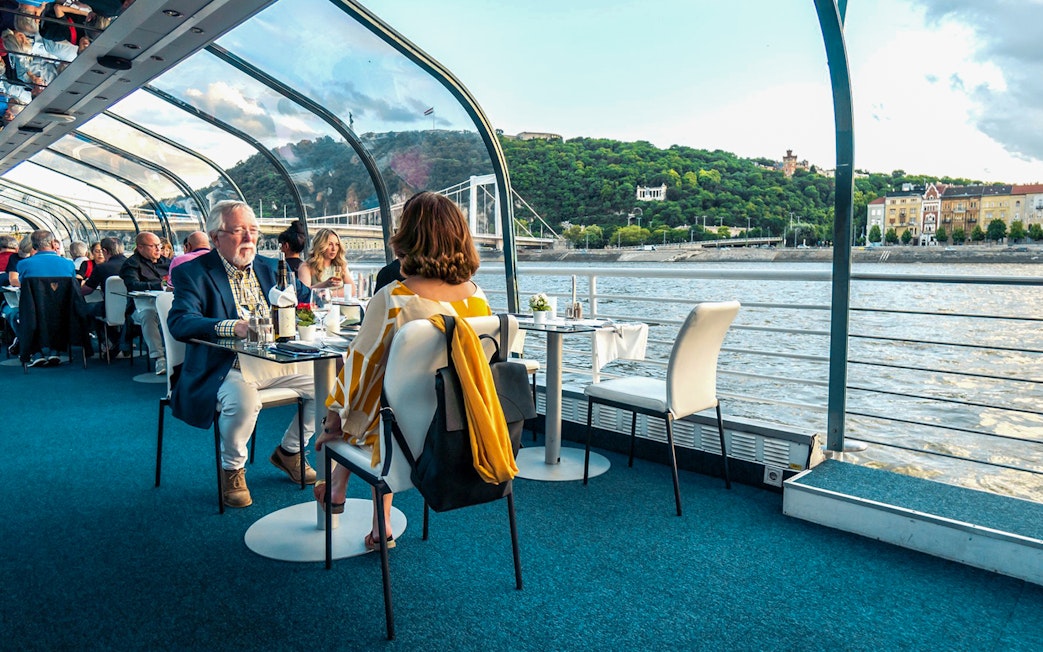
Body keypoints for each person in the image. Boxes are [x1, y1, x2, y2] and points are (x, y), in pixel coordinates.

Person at [314, 192, 492, 551]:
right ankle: (363, 509)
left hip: (398, 443)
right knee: (390, 394)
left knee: (369, 399)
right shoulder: (479, 299)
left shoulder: (393, 298)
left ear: (407, 236)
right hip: (457, 433)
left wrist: (331, 424)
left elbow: (357, 372)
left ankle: (340, 490)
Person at [168, 200, 316, 509]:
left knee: (331, 387)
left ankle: (290, 450)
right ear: (215, 235)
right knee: (245, 402)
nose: (249, 238)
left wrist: (306, 306)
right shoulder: (193, 273)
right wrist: (231, 327)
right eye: (238, 231)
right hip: (226, 365)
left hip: (278, 359)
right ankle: (232, 469)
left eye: (253, 230)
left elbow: (305, 301)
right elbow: (180, 323)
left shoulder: (268, 266)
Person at [17, 229, 76, 367]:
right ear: (51, 243)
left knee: (29, 315)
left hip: (35, 311)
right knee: (56, 314)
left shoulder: (23, 264)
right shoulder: (68, 264)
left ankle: (36, 353)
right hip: (62, 312)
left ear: (34, 246)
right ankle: (55, 350)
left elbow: (22, 285)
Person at [119, 231, 169, 374]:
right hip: (141, 307)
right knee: (148, 315)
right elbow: (133, 285)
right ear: (140, 247)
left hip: (167, 304)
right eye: (153, 246)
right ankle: (159, 359)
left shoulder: (167, 262)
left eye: (159, 245)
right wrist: (158, 286)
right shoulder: (131, 264)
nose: (158, 249)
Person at [82, 237, 129, 355]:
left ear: (105, 251)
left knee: (87, 310)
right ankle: (121, 340)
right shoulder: (133, 264)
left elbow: (87, 290)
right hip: (132, 307)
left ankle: (111, 340)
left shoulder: (102, 268)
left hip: (109, 309)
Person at [297, 228, 357, 298]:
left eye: (337, 244)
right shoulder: (306, 266)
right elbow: (303, 294)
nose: (334, 249)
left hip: (341, 307)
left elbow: (352, 290)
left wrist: (330, 293)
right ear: (320, 245)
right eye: (330, 244)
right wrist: (325, 285)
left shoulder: (340, 265)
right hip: (319, 307)